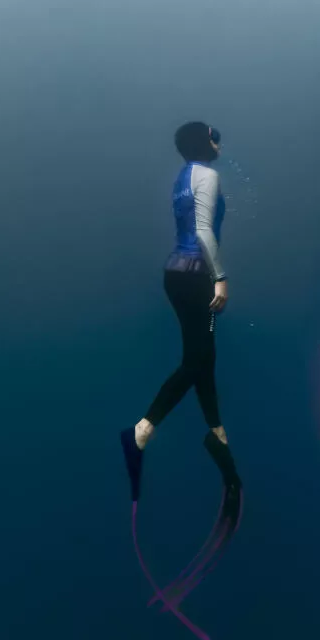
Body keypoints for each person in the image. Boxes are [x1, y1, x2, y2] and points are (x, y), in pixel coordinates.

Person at [121, 121, 241, 503]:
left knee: (203, 355)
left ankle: (216, 432)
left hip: (175, 275)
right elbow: (204, 231)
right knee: (198, 359)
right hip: (196, 276)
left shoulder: (182, 177)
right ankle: (143, 428)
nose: (219, 142)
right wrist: (220, 278)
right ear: (204, 142)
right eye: (214, 136)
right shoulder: (208, 175)